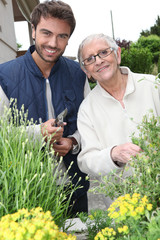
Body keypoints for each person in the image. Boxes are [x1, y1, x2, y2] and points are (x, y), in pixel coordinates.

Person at [0, 0, 90, 217]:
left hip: (74, 188)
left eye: (62, 36)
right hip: (25, 192)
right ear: (33, 31)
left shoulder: (80, 74)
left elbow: (92, 125)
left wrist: (74, 141)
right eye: (46, 33)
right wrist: (37, 133)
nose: (53, 43)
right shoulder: (4, 76)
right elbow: (2, 136)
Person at [77, 33, 160, 178]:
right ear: (86, 71)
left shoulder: (153, 86)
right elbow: (86, 161)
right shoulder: (87, 109)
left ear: (118, 54)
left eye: (103, 52)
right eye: (89, 59)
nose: (98, 61)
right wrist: (113, 154)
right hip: (124, 198)